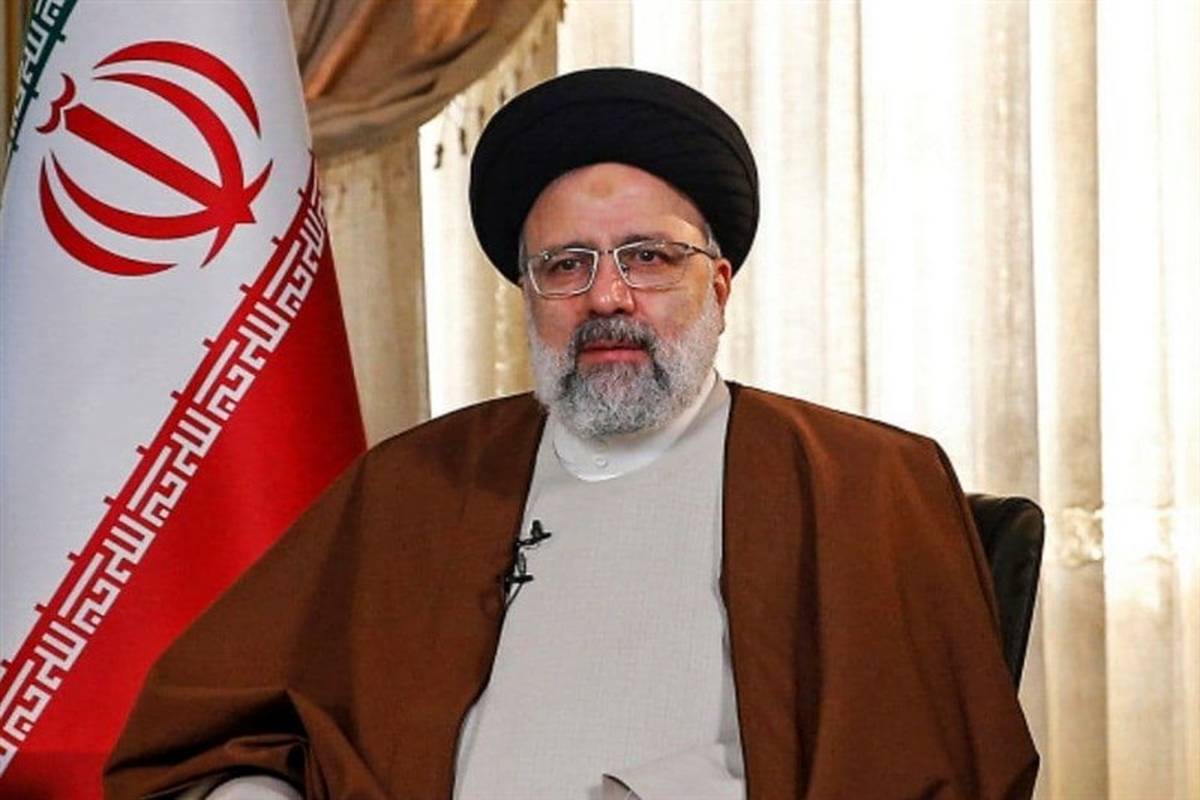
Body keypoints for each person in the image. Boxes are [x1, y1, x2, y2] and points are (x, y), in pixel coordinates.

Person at [105, 68, 1038, 800]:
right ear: (528, 297)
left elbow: (929, 765)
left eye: (650, 257)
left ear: (718, 288)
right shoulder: (416, 482)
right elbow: (229, 723)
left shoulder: (865, 483)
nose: (607, 297)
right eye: (565, 266)